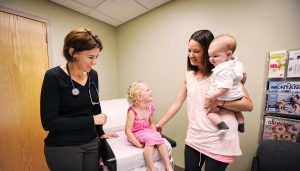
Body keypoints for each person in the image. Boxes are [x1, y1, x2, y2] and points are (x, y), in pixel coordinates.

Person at [156, 30, 253, 171]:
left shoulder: (224, 72)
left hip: (219, 139)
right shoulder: (188, 75)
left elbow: (248, 105)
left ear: (208, 52)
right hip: (194, 137)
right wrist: (160, 123)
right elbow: (177, 102)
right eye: (189, 50)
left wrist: (220, 102)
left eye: (196, 51)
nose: (191, 55)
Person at [40, 28, 109, 171]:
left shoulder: (93, 75)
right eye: (90, 57)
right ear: (73, 52)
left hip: (91, 143)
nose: (95, 62)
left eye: (97, 57)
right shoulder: (54, 76)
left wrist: (100, 132)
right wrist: (91, 120)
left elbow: (95, 106)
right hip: (64, 145)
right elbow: (49, 122)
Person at [125, 81, 173, 171]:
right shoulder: (132, 111)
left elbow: (151, 123)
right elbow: (127, 131)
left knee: (159, 137)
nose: (151, 91)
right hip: (135, 133)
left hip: (147, 131)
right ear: (139, 97)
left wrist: (155, 134)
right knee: (150, 139)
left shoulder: (150, 107)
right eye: (148, 90)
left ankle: (168, 166)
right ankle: (150, 168)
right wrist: (138, 145)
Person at [206, 34, 246, 134]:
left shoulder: (222, 69)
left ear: (228, 54)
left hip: (225, 97)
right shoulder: (238, 63)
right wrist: (241, 84)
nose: (211, 59)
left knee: (210, 112)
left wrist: (213, 96)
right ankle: (241, 122)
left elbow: (225, 87)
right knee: (236, 110)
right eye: (210, 56)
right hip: (237, 95)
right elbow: (244, 75)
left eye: (215, 56)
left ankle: (222, 126)